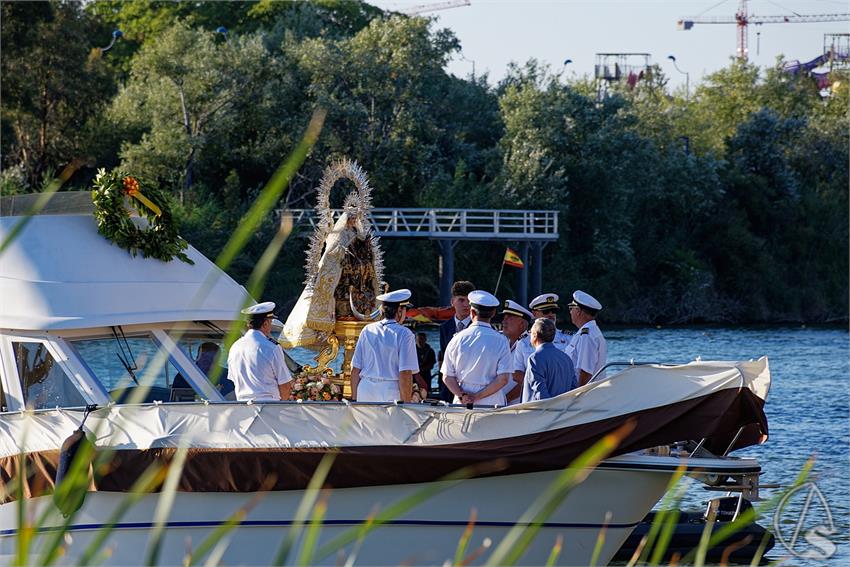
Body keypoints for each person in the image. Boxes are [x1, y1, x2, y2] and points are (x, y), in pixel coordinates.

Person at [441, 290, 512, 406]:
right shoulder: (501, 341)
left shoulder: (457, 339)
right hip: (492, 403)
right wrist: (477, 397)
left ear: (472, 312)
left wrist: (462, 395)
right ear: (493, 313)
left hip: (462, 403)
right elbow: (503, 379)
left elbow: (447, 377)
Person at [350, 289, 419, 402]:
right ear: (399, 310)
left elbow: (355, 368)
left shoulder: (367, 329)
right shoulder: (405, 334)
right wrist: (407, 404)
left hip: (365, 389)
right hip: (390, 392)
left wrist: (354, 399)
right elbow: (405, 372)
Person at [228, 302, 293, 401]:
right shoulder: (271, 347)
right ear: (265, 323)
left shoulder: (235, 347)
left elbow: (233, 379)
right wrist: (281, 408)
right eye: (270, 322)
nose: (270, 327)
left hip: (242, 407)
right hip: (268, 407)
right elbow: (285, 385)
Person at [437, 280, 475, 402]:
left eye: (469, 301)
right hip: (448, 386)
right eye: (461, 300)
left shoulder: (478, 327)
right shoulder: (444, 328)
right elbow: (443, 358)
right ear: (452, 301)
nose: (466, 305)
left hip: (471, 388)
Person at [522, 318, 576, 402]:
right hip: (564, 412)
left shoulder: (535, 358)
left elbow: (540, 393)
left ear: (535, 335)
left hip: (540, 413)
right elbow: (574, 389)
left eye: (530, 333)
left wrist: (551, 410)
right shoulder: (566, 358)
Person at [566, 290, 607, 387]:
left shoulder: (587, 336)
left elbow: (585, 372)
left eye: (571, 308)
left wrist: (578, 398)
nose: (570, 312)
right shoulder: (590, 332)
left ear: (578, 311)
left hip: (586, 396)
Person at [499, 299, 534, 405]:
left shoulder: (530, 345)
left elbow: (528, 380)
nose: (504, 321)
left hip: (518, 406)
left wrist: (506, 399)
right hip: (499, 404)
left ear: (522, 325)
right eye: (504, 318)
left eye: (509, 318)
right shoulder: (502, 342)